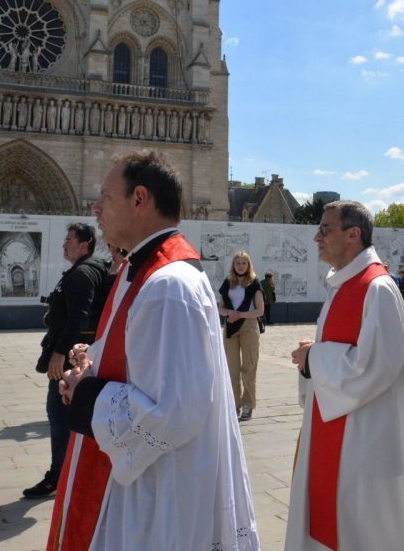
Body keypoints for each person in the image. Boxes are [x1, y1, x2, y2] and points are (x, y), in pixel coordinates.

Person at [52, 151, 257, 550]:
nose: (96, 207)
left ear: (139, 199)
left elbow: (173, 411)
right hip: (145, 482)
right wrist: (92, 364)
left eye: (106, 197)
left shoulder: (169, 284)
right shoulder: (141, 269)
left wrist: (86, 393)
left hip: (156, 498)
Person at [286, 200, 404, 550]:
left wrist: (314, 358)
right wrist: (316, 354)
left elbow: (378, 364)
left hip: (364, 438)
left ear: (353, 234)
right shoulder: (344, 283)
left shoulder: (377, 288)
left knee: (363, 528)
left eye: (325, 229)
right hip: (342, 428)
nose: (316, 237)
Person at [22, 222, 108, 501]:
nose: (64, 244)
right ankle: (70, 474)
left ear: (84, 244)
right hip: (77, 354)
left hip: (70, 358)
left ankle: (59, 477)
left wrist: (59, 353)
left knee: (59, 418)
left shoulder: (83, 273)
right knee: (68, 418)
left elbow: (79, 317)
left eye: (69, 239)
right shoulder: (87, 270)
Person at [219, 251, 265, 421]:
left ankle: (247, 405)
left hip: (248, 326)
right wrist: (229, 313)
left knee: (249, 367)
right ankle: (234, 404)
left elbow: (260, 310)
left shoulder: (254, 283)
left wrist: (239, 315)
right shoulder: (228, 282)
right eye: (237, 263)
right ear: (233, 265)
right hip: (230, 326)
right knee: (231, 368)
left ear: (248, 265)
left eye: (243, 263)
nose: (240, 266)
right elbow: (220, 307)